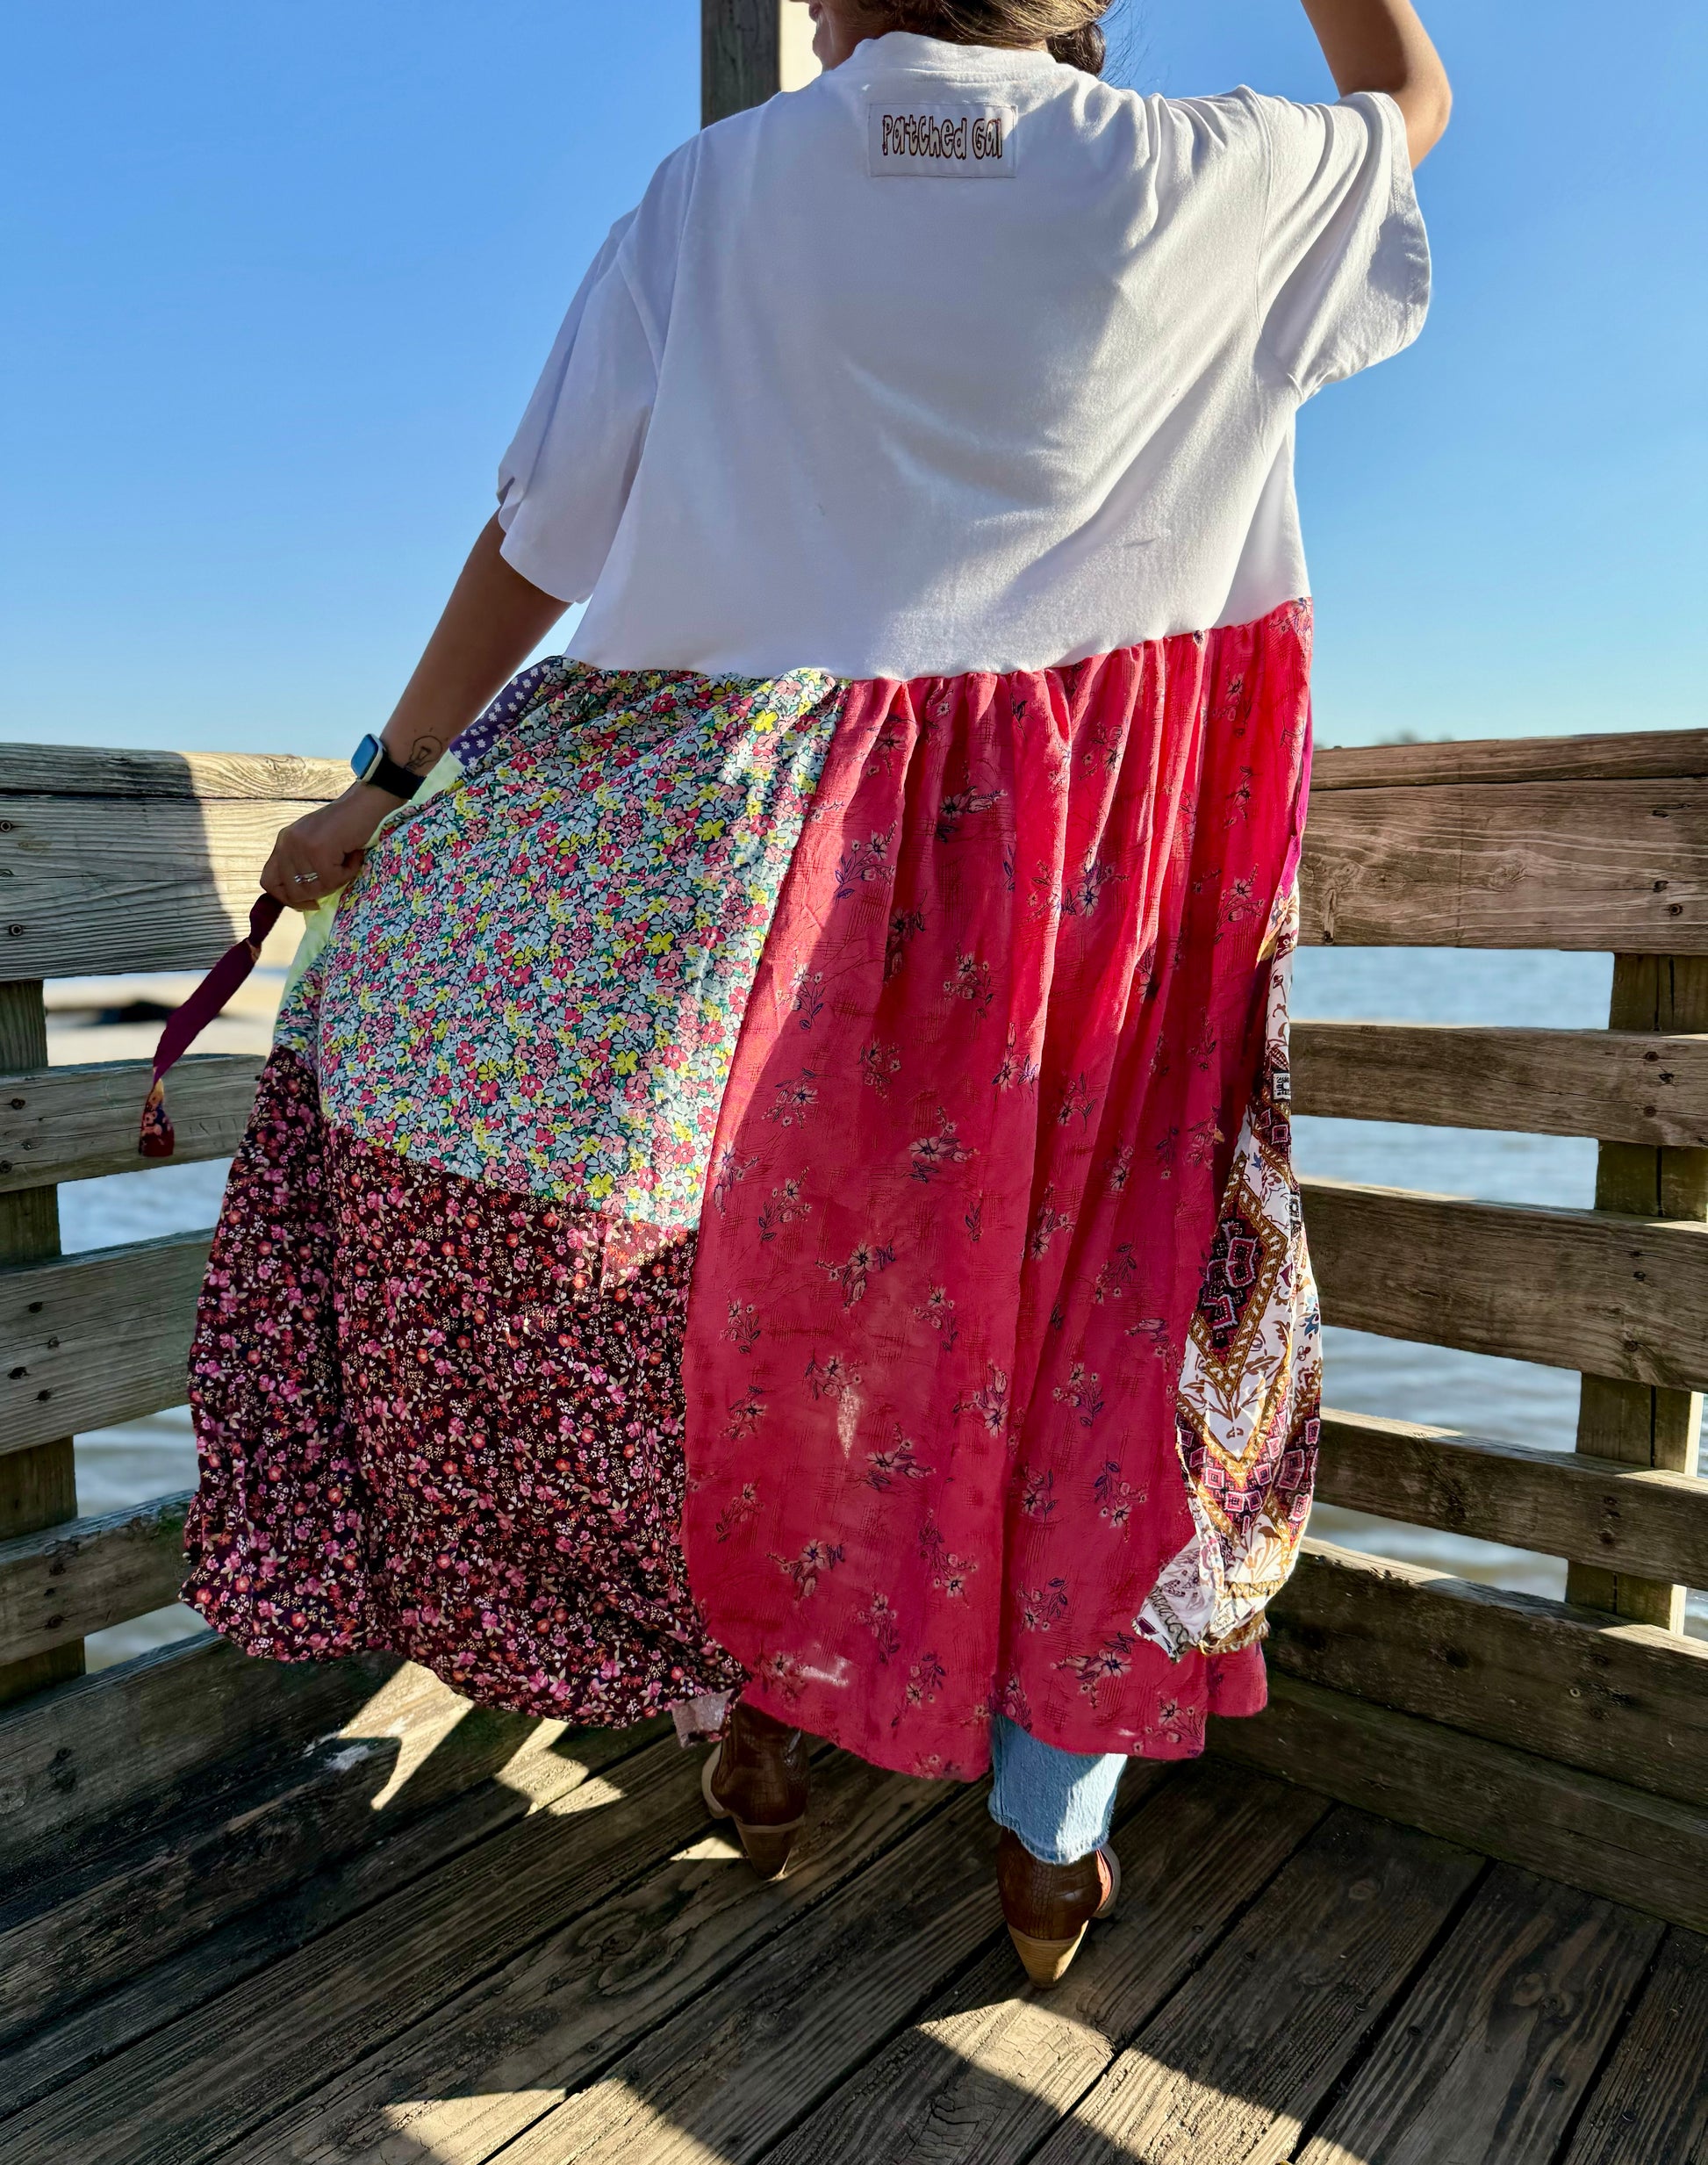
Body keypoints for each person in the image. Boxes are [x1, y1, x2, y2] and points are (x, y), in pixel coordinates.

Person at [179, 0, 1449, 1989]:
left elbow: (540, 536)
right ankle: (1047, 1841)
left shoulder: (710, 194)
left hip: (752, 862)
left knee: (766, 1309)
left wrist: (388, 784)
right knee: (1108, 1326)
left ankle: (758, 1719)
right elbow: (1405, 99)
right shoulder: (1202, 172)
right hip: (1103, 887)